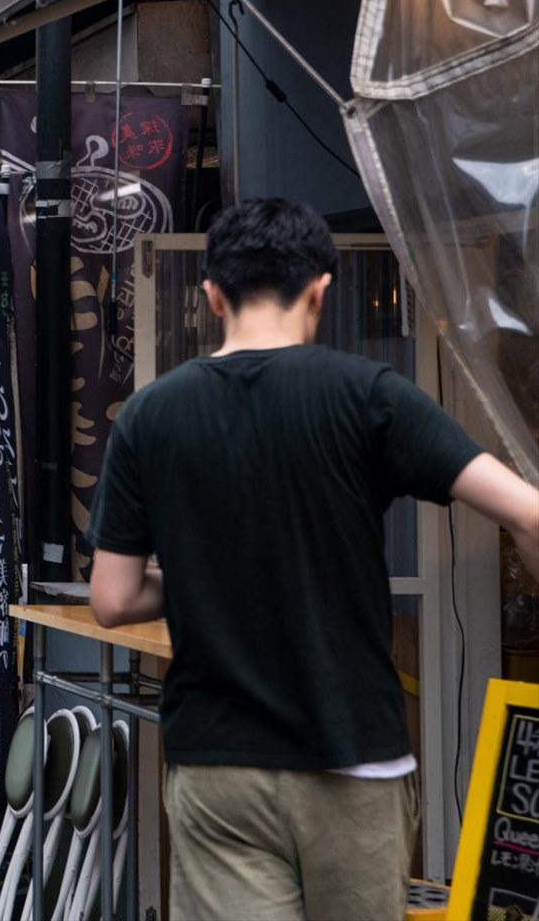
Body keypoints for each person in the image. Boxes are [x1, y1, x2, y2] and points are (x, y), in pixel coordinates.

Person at [88, 198, 539, 920]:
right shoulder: (370, 396)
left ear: (211, 295)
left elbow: (111, 599)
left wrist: (208, 578)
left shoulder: (151, 414)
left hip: (220, 759)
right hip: (354, 756)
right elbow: (527, 511)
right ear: (321, 288)